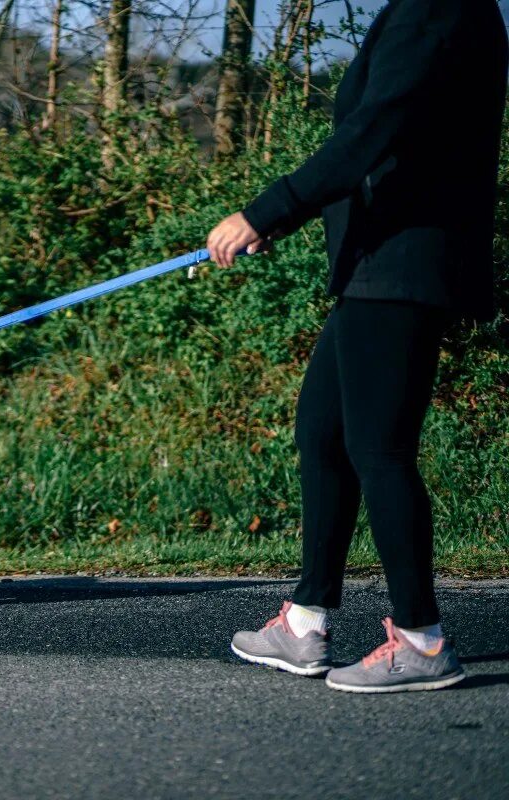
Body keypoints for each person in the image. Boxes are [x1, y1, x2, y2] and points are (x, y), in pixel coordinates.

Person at [206, 0, 508, 693]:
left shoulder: (438, 9)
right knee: (323, 431)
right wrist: (287, 218)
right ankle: (305, 621)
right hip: (378, 263)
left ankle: (422, 641)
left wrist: (269, 207)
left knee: (380, 449)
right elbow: (386, 141)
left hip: (403, 263)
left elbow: (374, 132)